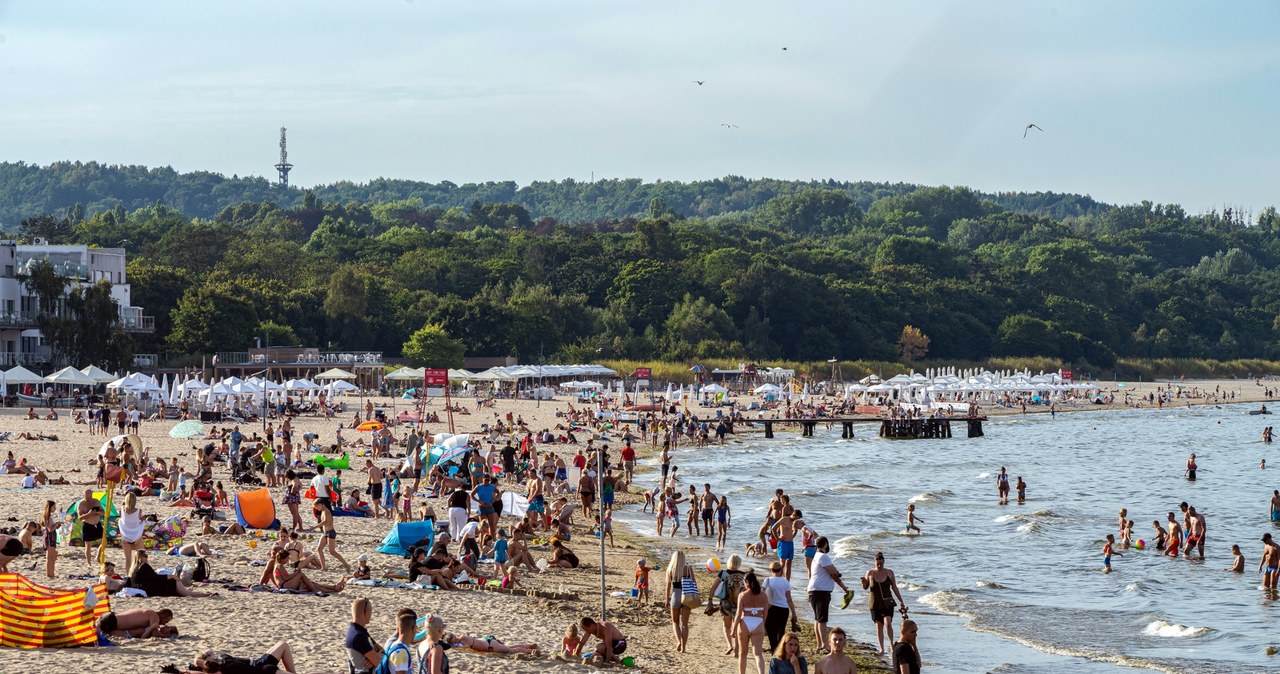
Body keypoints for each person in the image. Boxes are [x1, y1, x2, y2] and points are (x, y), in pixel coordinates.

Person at [807, 537, 849, 654]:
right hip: (820, 591)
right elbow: (834, 574)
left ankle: (820, 644)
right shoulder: (823, 556)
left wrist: (836, 573)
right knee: (822, 619)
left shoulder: (816, 556)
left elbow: (832, 571)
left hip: (814, 590)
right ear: (825, 544)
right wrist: (844, 587)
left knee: (817, 618)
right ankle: (825, 645)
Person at [863, 552, 906, 655]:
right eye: (877, 563)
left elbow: (894, 587)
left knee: (888, 622)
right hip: (874, 603)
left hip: (887, 602)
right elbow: (865, 587)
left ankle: (891, 646)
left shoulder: (889, 572)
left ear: (884, 562)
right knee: (878, 625)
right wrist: (863, 583)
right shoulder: (870, 573)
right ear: (874, 563)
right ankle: (881, 649)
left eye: (881, 563)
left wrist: (901, 600)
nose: (879, 566)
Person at [708, 554, 748, 657]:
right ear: (739, 563)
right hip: (739, 605)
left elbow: (713, 587)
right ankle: (737, 650)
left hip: (725, 604)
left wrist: (710, 600)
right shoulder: (744, 575)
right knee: (738, 627)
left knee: (726, 626)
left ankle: (729, 645)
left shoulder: (723, 573)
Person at [130, 550, 215, 597]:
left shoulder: (134, 568)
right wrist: (171, 576)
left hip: (145, 588)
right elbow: (156, 578)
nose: (147, 557)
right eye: (145, 556)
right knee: (174, 581)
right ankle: (195, 594)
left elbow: (151, 578)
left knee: (174, 582)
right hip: (150, 589)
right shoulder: (144, 566)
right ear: (141, 557)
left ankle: (192, 592)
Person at [732, 570, 770, 674]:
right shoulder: (763, 595)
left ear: (747, 582)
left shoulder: (742, 595)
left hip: (745, 623)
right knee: (758, 654)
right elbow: (765, 613)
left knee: (743, 653)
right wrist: (762, 623)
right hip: (758, 622)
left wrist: (734, 628)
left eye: (744, 581)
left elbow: (738, 614)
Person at [762, 560, 801, 653]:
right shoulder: (785, 582)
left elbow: (761, 593)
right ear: (780, 570)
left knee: (771, 631)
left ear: (771, 570)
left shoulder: (767, 580)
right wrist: (794, 613)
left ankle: (773, 649)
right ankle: (779, 650)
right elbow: (789, 599)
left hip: (771, 608)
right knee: (781, 630)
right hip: (783, 609)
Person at [194, 640, 301, 674]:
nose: (207, 654)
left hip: (258, 661)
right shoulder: (218, 668)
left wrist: (207, 655)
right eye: (205, 656)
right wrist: (201, 660)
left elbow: (210, 651)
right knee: (283, 645)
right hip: (259, 665)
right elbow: (199, 663)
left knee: (283, 644)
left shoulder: (220, 658)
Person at [271, 550, 346, 592]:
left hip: (285, 584)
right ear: (283, 558)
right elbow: (286, 578)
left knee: (310, 583)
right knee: (301, 575)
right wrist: (296, 573)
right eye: (287, 558)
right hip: (284, 585)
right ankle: (316, 590)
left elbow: (286, 577)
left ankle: (333, 588)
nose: (288, 560)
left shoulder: (278, 565)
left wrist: (294, 574)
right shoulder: (279, 566)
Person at [665, 549, 694, 652]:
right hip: (686, 595)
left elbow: (668, 586)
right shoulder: (688, 569)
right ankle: (684, 648)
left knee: (675, 622)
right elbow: (693, 582)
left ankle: (678, 642)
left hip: (675, 594)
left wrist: (667, 599)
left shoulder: (670, 569)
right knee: (685, 624)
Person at [345, 598, 383, 674]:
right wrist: (376, 657)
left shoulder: (358, 630)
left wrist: (374, 658)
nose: (371, 615)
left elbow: (381, 649)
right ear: (364, 613)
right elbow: (380, 663)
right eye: (370, 612)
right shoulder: (358, 636)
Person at [97, 608, 176, 639]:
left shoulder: (147, 611)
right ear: (164, 615)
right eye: (166, 620)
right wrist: (167, 636)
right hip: (112, 621)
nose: (165, 623)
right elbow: (155, 633)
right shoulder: (155, 616)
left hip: (110, 616)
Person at [119, 492, 146, 574]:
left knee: (128, 559)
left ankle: (129, 576)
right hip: (136, 536)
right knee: (141, 558)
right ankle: (141, 575)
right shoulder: (138, 511)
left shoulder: (122, 510)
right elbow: (141, 519)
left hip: (126, 536)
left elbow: (121, 516)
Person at [77, 488, 105, 566]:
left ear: (92, 495)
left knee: (104, 542)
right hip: (87, 524)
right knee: (88, 545)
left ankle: (98, 556)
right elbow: (80, 517)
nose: (88, 499)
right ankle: (89, 563)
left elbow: (103, 512)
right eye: (86, 497)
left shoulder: (96, 501)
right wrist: (89, 514)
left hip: (97, 524)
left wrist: (97, 512)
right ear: (83, 496)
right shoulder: (81, 504)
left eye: (89, 497)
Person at [39, 500, 58, 579]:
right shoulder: (48, 517)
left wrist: (56, 525)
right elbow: (50, 529)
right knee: (50, 557)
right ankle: (50, 574)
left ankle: (51, 574)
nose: (55, 508)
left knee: (50, 557)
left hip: (48, 537)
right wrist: (56, 524)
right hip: (50, 537)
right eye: (54, 507)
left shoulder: (45, 516)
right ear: (50, 507)